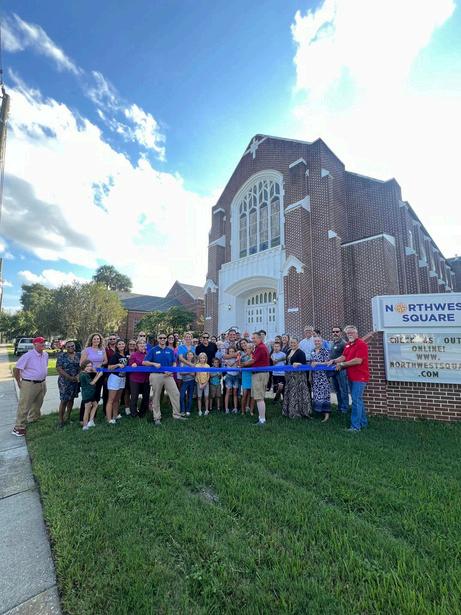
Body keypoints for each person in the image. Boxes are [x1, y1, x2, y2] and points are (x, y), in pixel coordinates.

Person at [330, 326, 369, 432]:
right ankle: (363, 423)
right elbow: (344, 356)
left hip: (360, 377)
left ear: (356, 333)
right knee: (358, 400)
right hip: (351, 376)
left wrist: (342, 364)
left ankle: (355, 427)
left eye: (352, 333)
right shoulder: (348, 344)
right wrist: (334, 361)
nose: (350, 335)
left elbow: (358, 360)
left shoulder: (361, 344)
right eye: (348, 333)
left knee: (356, 401)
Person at [143, 332, 185, 425]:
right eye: (160, 338)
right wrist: (153, 363)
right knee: (156, 396)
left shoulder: (170, 350)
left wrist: (171, 370)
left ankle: (176, 415)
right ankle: (157, 417)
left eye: (164, 338)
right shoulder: (153, 350)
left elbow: (174, 362)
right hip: (156, 375)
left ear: (166, 339)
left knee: (176, 394)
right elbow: (144, 362)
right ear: (158, 339)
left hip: (168, 376)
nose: (162, 339)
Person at [12, 337, 49, 437]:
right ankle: (18, 427)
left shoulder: (45, 354)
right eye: (41, 342)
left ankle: (33, 419)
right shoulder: (28, 356)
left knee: (37, 403)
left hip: (41, 383)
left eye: (44, 342)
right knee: (24, 406)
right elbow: (16, 369)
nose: (43, 344)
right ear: (35, 344)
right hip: (29, 384)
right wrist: (19, 382)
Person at [241, 331, 270, 425]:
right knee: (259, 397)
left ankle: (262, 420)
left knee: (259, 398)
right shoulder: (259, 347)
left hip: (260, 374)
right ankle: (261, 418)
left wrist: (242, 365)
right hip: (259, 374)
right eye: (252, 338)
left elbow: (253, 361)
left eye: (254, 338)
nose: (252, 340)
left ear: (259, 338)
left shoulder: (260, 347)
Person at [79, 333, 107, 421]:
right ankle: (82, 418)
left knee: (96, 395)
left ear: (100, 340)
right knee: (87, 396)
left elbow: (105, 361)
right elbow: (81, 363)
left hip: (99, 374)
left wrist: (100, 365)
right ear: (91, 340)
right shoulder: (87, 350)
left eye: (98, 339)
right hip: (89, 374)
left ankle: (92, 417)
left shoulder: (102, 349)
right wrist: (91, 368)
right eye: (94, 339)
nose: (96, 340)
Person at [282, 337, 312, 419]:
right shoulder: (289, 351)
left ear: (298, 343)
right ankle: (288, 411)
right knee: (290, 392)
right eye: (291, 343)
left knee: (296, 393)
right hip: (289, 376)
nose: (292, 344)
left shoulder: (301, 353)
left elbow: (304, 364)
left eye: (294, 343)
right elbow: (287, 362)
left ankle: (297, 412)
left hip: (298, 377)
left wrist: (299, 364)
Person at [56, 340, 80, 427]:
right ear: (65, 347)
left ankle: (68, 417)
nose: (71, 348)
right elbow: (59, 368)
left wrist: (77, 376)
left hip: (75, 381)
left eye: (72, 346)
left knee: (71, 399)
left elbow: (82, 366)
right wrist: (69, 377)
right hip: (64, 381)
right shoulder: (62, 356)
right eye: (68, 346)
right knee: (64, 400)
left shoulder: (79, 355)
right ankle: (61, 420)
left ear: (75, 346)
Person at [106, 339, 128, 424]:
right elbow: (109, 367)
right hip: (115, 378)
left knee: (117, 399)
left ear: (125, 345)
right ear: (117, 346)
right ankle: (109, 419)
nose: (121, 345)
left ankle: (115, 416)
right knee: (111, 400)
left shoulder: (126, 355)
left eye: (123, 344)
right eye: (119, 344)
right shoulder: (115, 355)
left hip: (122, 378)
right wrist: (117, 365)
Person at [310, 336, 332, 422]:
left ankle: (326, 415)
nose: (317, 342)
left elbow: (328, 363)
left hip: (323, 377)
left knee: (324, 395)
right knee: (317, 395)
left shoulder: (325, 351)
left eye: (318, 341)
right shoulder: (312, 351)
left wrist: (317, 363)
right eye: (315, 341)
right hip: (315, 377)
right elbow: (311, 363)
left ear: (322, 342)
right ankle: (319, 412)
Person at [329, 326, 349, 413]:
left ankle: (345, 408)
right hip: (333, 370)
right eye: (333, 332)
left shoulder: (343, 343)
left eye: (337, 332)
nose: (335, 333)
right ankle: (339, 407)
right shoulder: (332, 343)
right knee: (337, 389)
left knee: (343, 389)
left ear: (340, 333)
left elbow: (346, 357)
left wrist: (340, 364)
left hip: (341, 370)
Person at [128, 339, 150, 417]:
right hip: (135, 379)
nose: (142, 344)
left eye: (143, 343)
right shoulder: (134, 355)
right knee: (134, 396)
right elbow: (130, 364)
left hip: (146, 379)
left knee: (146, 396)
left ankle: (142, 412)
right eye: (140, 343)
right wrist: (133, 364)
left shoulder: (148, 354)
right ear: (137, 345)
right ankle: (133, 413)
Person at [79, 360, 103, 430]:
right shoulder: (83, 375)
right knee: (87, 409)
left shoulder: (86, 373)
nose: (90, 368)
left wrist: (97, 374)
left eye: (91, 366)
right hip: (87, 395)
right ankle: (85, 426)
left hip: (91, 393)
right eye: (88, 366)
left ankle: (91, 421)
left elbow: (92, 381)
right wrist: (99, 376)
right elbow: (92, 383)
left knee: (95, 405)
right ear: (83, 366)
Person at [223, 346, 239, 414]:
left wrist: (238, 358)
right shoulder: (226, 358)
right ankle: (226, 408)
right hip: (229, 376)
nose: (231, 352)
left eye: (233, 351)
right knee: (228, 392)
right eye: (230, 351)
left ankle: (235, 408)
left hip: (236, 376)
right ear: (228, 352)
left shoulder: (237, 357)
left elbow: (238, 365)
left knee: (235, 393)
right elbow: (231, 365)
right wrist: (236, 359)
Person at [180, 351, 196, 416]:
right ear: (186, 356)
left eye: (191, 355)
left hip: (192, 381)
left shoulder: (194, 364)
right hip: (184, 381)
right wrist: (189, 372)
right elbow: (181, 373)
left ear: (193, 356)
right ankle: (182, 410)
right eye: (188, 355)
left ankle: (188, 410)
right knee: (182, 396)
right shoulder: (183, 363)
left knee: (190, 396)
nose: (189, 356)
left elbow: (193, 374)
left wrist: (186, 372)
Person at [239, 339, 253, 415]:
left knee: (251, 393)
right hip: (245, 375)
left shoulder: (254, 355)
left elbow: (252, 363)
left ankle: (250, 409)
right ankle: (242, 411)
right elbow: (240, 364)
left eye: (249, 348)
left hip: (252, 375)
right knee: (244, 394)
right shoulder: (242, 355)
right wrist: (241, 357)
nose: (248, 349)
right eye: (247, 348)